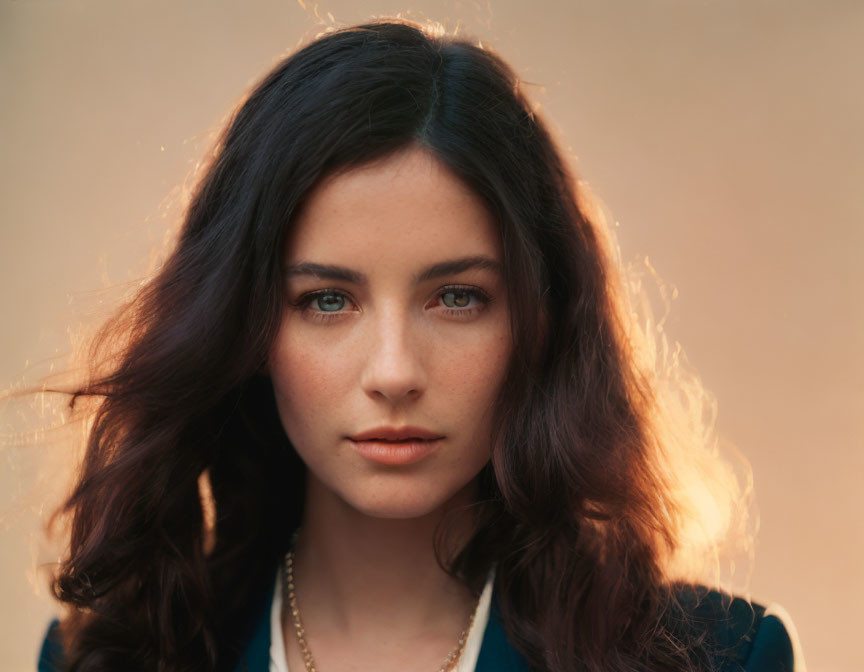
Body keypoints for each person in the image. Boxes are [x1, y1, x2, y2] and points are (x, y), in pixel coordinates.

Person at [32, 18, 804, 672]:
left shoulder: (720, 658)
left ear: (541, 320)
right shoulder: (111, 657)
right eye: (327, 301)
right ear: (246, 328)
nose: (395, 373)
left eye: (457, 298)